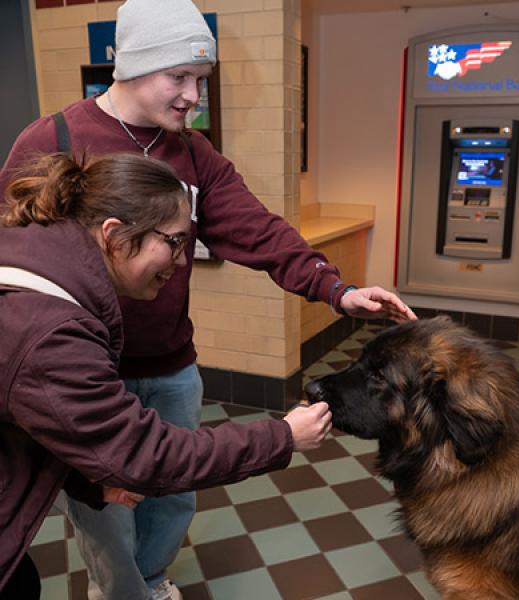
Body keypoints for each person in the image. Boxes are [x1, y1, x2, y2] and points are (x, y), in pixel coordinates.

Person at [0, 1, 416, 598]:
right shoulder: (55, 137)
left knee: (170, 495)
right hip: (85, 367)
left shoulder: (193, 151)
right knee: (106, 508)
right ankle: (119, 592)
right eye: (180, 77)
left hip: (170, 364)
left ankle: (149, 578)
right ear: (136, 66)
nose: (193, 95)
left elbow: (256, 228)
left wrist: (337, 289)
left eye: (201, 80)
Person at [0, 152, 332, 599]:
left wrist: (87, 479)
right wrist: (284, 436)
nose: (180, 262)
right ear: (115, 235)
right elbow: (147, 454)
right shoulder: (51, 331)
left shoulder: (36, 262)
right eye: (174, 242)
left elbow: (35, 416)